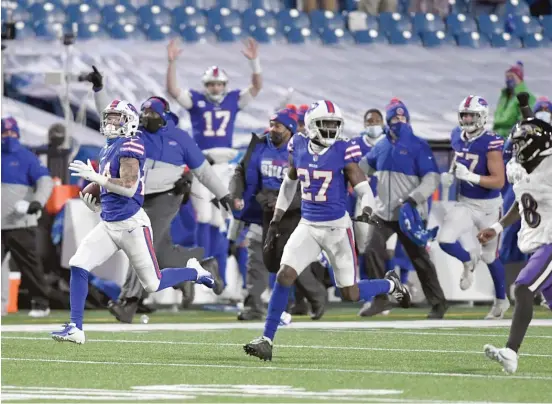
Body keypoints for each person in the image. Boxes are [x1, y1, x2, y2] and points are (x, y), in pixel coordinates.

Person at [243, 100, 411, 361]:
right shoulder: (297, 145)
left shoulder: (344, 150)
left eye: (335, 124)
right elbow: (290, 182)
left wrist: (366, 210)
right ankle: (267, 339)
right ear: (311, 126)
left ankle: (390, 284)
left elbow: (365, 190)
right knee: (285, 275)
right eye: (326, 124)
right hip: (308, 226)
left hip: (337, 229)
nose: (331, 129)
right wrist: (277, 217)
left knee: (350, 293)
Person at [50, 100, 221, 344]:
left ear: (128, 121)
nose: (110, 122)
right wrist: (95, 203)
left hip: (131, 225)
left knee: (153, 283)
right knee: (78, 264)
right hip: (109, 223)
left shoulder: (131, 144)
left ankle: (194, 271)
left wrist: (97, 177)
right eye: (108, 117)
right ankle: (76, 328)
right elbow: (110, 190)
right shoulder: (109, 147)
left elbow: (129, 188)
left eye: (116, 118)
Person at [86, 67, 230, 323]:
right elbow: (105, 114)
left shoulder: (180, 139)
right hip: (136, 196)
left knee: (138, 240)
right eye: (143, 111)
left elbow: (204, 171)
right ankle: (200, 267)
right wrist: (99, 89)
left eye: (151, 112)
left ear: (164, 116)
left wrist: (223, 194)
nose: (145, 116)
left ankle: (128, 302)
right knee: (160, 254)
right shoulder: (134, 131)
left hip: (165, 196)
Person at [166, 38, 262, 290]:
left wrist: (254, 62)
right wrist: (172, 62)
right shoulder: (197, 100)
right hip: (201, 163)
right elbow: (173, 90)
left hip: (223, 165)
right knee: (205, 218)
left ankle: (218, 276)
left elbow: (256, 87)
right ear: (205, 85)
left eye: (219, 83)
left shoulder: (232, 100)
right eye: (212, 84)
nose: (216, 87)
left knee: (220, 221)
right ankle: (202, 270)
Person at [229, 109, 327, 321]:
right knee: (256, 256)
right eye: (271, 124)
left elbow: (312, 185)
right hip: (261, 207)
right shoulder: (260, 145)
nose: (272, 129)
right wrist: (235, 193)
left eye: (278, 126)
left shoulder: (303, 150)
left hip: (292, 212)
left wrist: (286, 203)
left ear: (289, 129)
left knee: (290, 258)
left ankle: (317, 296)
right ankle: (253, 305)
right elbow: (241, 171)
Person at [358, 99, 448, 319]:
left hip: (410, 213)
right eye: (395, 118)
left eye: (402, 117)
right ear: (388, 121)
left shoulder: (419, 145)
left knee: (419, 258)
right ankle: (381, 299)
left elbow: (431, 178)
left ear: (408, 119)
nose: (399, 121)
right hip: (384, 212)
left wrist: (413, 199)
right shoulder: (381, 146)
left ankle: (439, 303)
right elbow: (363, 168)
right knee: (371, 250)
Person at [477, 117, 552, 374]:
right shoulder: (519, 168)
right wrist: (497, 227)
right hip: (539, 241)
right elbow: (522, 204)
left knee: (522, 288)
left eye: (521, 143)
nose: (516, 149)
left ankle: (510, 352)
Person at [438, 95, 509, 319]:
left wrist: (471, 176)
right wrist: (450, 175)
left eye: (472, 115)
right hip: (465, 203)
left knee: (489, 257)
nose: (467, 119)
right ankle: (468, 260)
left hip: (489, 206)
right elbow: (458, 159)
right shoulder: (456, 136)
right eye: (465, 115)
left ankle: (501, 301)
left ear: (483, 117)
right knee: (445, 240)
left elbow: (499, 181)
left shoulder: (491, 142)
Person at [1, 116, 54, 317]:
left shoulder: (27, 156)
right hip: (1, 222)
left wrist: (37, 202)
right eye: (4, 133)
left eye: (12, 133)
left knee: (30, 266)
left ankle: (41, 304)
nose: (8, 137)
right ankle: (1, 306)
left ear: (18, 134)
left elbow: (45, 182)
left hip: (20, 222)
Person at [493, 63, 536, 139]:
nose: (508, 79)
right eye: (507, 77)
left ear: (519, 78)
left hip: (511, 137)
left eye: (511, 77)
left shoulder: (526, 96)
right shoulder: (504, 96)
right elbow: (497, 118)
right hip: (497, 134)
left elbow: (525, 121)